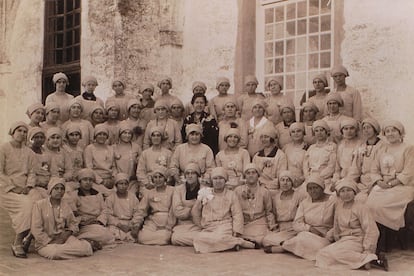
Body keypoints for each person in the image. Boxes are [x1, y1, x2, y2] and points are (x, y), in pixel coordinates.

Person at [315, 178, 386, 271]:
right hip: (344, 240)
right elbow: (336, 227)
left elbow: (371, 230)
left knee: (337, 253)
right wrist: (334, 238)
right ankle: (365, 261)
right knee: (322, 254)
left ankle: (369, 258)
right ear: (339, 194)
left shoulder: (361, 207)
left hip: (358, 240)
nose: (346, 194)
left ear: (354, 192)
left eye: (349, 190)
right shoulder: (339, 207)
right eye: (342, 191)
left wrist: (367, 249)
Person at [366, 120, 414, 253]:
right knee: (369, 205)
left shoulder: (408, 148)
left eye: (394, 130)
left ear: (400, 133)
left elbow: (409, 172)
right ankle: (378, 240)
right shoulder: (382, 149)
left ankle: (387, 240)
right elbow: (374, 169)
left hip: (402, 186)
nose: (390, 133)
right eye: (387, 131)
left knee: (380, 206)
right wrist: (378, 181)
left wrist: (392, 183)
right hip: (383, 185)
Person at [191, 167, 255, 253]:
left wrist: (236, 230)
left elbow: (237, 213)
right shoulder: (205, 193)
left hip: (224, 226)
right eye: (215, 178)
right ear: (212, 180)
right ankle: (236, 243)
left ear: (225, 180)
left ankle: (234, 242)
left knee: (218, 238)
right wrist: (201, 224)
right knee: (198, 238)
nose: (218, 181)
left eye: (221, 178)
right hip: (209, 227)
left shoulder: (231, 194)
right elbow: (195, 211)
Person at [31, 177, 97, 260]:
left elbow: (73, 223)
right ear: (50, 190)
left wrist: (66, 234)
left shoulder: (65, 205)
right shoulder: (39, 205)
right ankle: (87, 246)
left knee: (82, 249)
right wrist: (50, 241)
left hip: (64, 238)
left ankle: (83, 246)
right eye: (56, 188)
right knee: (54, 253)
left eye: (62, 189)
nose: (59, 191)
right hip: (45, 243)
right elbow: (36, 229)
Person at [0, 122, 37, 258]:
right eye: (19, 130)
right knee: (27, 205)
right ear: (12, 132)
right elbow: (0, 173)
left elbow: (32, 172)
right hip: (6, 189)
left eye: (24, 131)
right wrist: (13, 188)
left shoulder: (29, 153)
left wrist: (28, 187)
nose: (22, 134)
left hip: (25, 188)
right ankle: (18, 242)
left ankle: (29, 237)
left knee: (40, 203)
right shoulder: (3, 149)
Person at [281, 174, 335, 261]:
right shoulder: (304, 203)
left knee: (319, 246)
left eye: (316, 188)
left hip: (325, 236)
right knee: (303, 237)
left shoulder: (333, 200)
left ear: (322, 188)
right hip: (308, 233)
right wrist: (310, 229)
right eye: (310, 188)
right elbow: (296, 224)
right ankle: (289, 246)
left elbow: (338, 221)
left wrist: (329, 235)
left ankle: (285, 247)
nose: (313, 191)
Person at [234, 164, 276, 247]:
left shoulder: (264, 191)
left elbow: (269, 212)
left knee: (265, 239)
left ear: (258, 175)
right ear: (245, 176)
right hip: (244, 222)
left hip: (259, 222)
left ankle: (246, 243)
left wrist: (272, 226)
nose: (251, 175)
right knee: (235, 235)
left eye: (253, 172)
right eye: (248, 173)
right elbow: (235, 211)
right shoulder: (238, 191)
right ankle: (249, 242)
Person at [263, 171, 303, 253]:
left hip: (294, 228)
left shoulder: (298, 196)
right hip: (281, 229)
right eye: (282, 180)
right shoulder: (276, 197)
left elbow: (302, 215)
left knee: (301, 239)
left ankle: (281, 248)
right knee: (266, 240)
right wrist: (273, 227)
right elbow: (272, 213)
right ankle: (288, 246)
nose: (285, 183)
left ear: (292, 183)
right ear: (279, 182)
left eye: (288, 180)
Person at [74, 168, 114, 246]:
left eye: (90, 180)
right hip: (84, 225)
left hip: (97, 223)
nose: (88, 182)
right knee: (106, 235)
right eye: (85, 180)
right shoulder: (75, 195)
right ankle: (86, 240)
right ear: (80, 181)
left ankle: (89, 241)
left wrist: (99, 221)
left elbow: (104, 210)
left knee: (109, 236)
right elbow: (73, 214)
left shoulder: (98, 194)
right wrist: (83, 221)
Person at [136, 167, 175, 245]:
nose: (158, 180)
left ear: (165, 179)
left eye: (160, 177)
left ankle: (163, 238)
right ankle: (161, 240)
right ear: (152, 179)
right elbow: (141, 210)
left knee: (166, 236)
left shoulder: (172, 190)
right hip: (153, 221)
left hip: (168, 221)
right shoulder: (149, 193)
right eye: (155, 177)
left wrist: (169, 225)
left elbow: (174, 209)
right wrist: (136, 223)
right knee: (141, 237)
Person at [349, 118, 385, 199]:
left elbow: (384, 170)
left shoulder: (383, 146)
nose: (366, 130)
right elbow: (355, 168)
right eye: (364, 128)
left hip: (377, 182)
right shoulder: (361, 146)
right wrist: (349, 182)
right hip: (362, 183)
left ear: (375, 129)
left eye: (369, 127)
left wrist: (375, 183)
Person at [171, 163, 202, 246]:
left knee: (203, 234)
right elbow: (177, 211)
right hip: (183, 224)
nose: (190, 176)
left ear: (198, 175)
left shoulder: (204, 189)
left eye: (193, 173)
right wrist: (194, 208)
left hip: (198, 224)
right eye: (187, 173)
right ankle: (202, 241)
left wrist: (186, 207)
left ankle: (202, 240)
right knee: (175, 238)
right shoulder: (178, 190)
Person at [303, 120, 337, 193]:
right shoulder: (311, 148)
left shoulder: (332, 147)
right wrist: (308, 177)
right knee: (302, 193)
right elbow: (305, 165)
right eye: (316, 131)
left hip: (325, 179)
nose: (319, 133)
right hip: (310, 178)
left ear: (326, 132)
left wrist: (318, 177)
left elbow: (331, 166)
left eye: (321, 130)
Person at [84, 124, 117, 197]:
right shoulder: (89, 148)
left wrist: (114, 178)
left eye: (104, 134)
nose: (102, 136)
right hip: (96, 180)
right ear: (95, 136)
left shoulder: (110, 149)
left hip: (109, 178)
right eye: (99, 134)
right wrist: (101, 181)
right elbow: (89, 168)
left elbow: (114, 166)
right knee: (106, 194)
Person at [105, 173, 140, 242]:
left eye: (125, 184)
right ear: (116, 185)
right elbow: (108, 215)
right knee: (110, 234)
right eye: (121, 184)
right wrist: (120, 225)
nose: (123, 186)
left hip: (129, 223)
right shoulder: (110, 198)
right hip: (116, 225)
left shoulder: (133, 197)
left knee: (138, 235)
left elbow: (137, 213)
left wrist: (133, 225)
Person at [136, 126, 172, 194]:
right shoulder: (145, 153)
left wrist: (164, 183)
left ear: (161, 137)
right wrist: (147, 183)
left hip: (163, 183)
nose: (156, 138)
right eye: (154, 136)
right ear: (151, 138)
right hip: (148, 184)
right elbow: (140, 172)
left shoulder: (168, 153)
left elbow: (170, 171)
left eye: (158, 135)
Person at [252, 127, 287, 193]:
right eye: (261, 137)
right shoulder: (257, 156)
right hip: (258, 190)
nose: (263, 139)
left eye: (266, 137)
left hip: (273, 191)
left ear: (272, 139)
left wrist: (266, 185)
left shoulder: (280, 155)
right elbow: (253, 175)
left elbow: (281, 178)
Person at [331, 118, 363, 190]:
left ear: (356, 130)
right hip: (341, 178)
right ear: (342, 131)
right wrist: (335, 181)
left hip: (353, 179)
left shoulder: (360, 145)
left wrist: (343, 182)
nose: (349, 131)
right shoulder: (341, 145)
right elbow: (337, 167)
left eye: (352, 128)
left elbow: (356, 169)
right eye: (346, 129)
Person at [113, 121, 141, 187]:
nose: (127, 135)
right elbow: (112, 166)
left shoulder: (136, 147)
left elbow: (141, 164)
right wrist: (118, 178)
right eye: (124, 133)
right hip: (118, 181)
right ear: (120, 134)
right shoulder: (113, 148)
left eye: (129, 133)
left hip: (133, 181)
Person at [283, 122, 309, 189]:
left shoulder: (308, 148)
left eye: (298, 131)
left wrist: (301, 179)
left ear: (303, 133)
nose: (296, 133)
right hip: (287, 180)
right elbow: (283, 166)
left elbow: (308, 169)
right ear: (290, 134)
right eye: (293, 132)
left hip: (303, 181)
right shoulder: (286, 148)